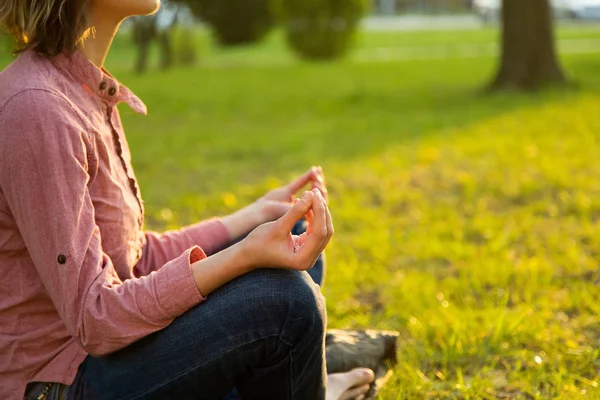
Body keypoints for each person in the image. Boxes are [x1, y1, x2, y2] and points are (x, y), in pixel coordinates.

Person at [0, 0, 376, 399]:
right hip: (60, 383)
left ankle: (297, 380)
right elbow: (95, 317)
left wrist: (252, 217)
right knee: (285, 303)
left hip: (106, 354)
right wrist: (244, 254)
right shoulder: (38, 108)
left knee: (292, 234)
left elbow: (133, 260)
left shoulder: (82, 90)